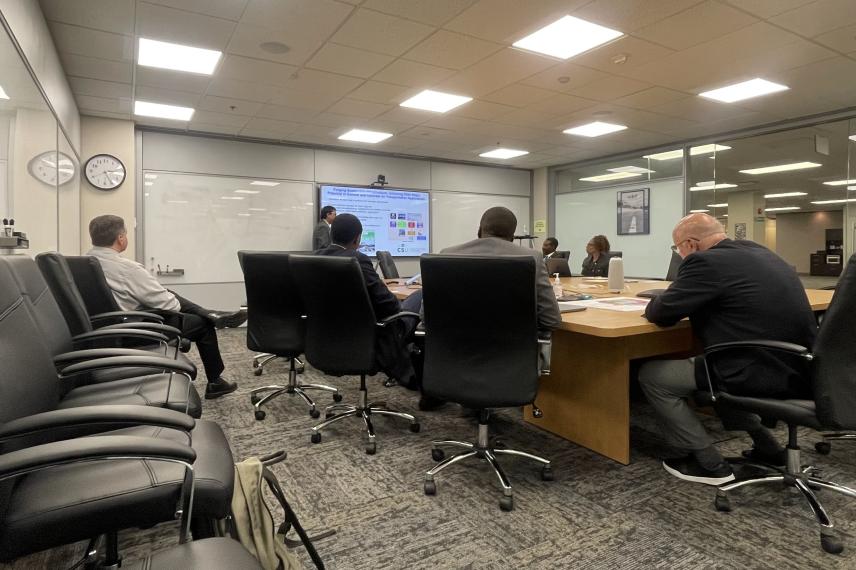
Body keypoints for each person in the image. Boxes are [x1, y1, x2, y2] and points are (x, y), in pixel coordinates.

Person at [639, 213, 817, 485]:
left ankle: (709, 464)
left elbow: (660, 314)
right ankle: (769, 449)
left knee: (653, 376)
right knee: (713, 362)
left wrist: (667, 295)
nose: (679, 255)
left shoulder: (703, 261)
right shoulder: (764, 254)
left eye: (677, 249)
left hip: (755, 368)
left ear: (690, 244)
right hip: (801, 367)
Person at [86, 215, 243, 399]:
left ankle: (212, 314)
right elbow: (171, 305)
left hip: (102, 330)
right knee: (202, 324)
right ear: (121, 238)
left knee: (164, 292)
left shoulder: (83, 262)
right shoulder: (127, 269)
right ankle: (215, 380)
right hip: (136, 331)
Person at [315, 213, 422, 389]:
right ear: (357, 239)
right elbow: (389, 305)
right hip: (370, 336)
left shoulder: (315, 258)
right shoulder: (358, 260)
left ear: (332, 233)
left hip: (327, 337)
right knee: (418, 297)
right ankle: (418, 377)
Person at [442, 207, 561, 335]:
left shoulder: (446, 255)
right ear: (512, 237)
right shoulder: (533, 258)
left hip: (452, 350)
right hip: (516, 351)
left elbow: (426, 317)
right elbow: (551, 320)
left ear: (479, 230)